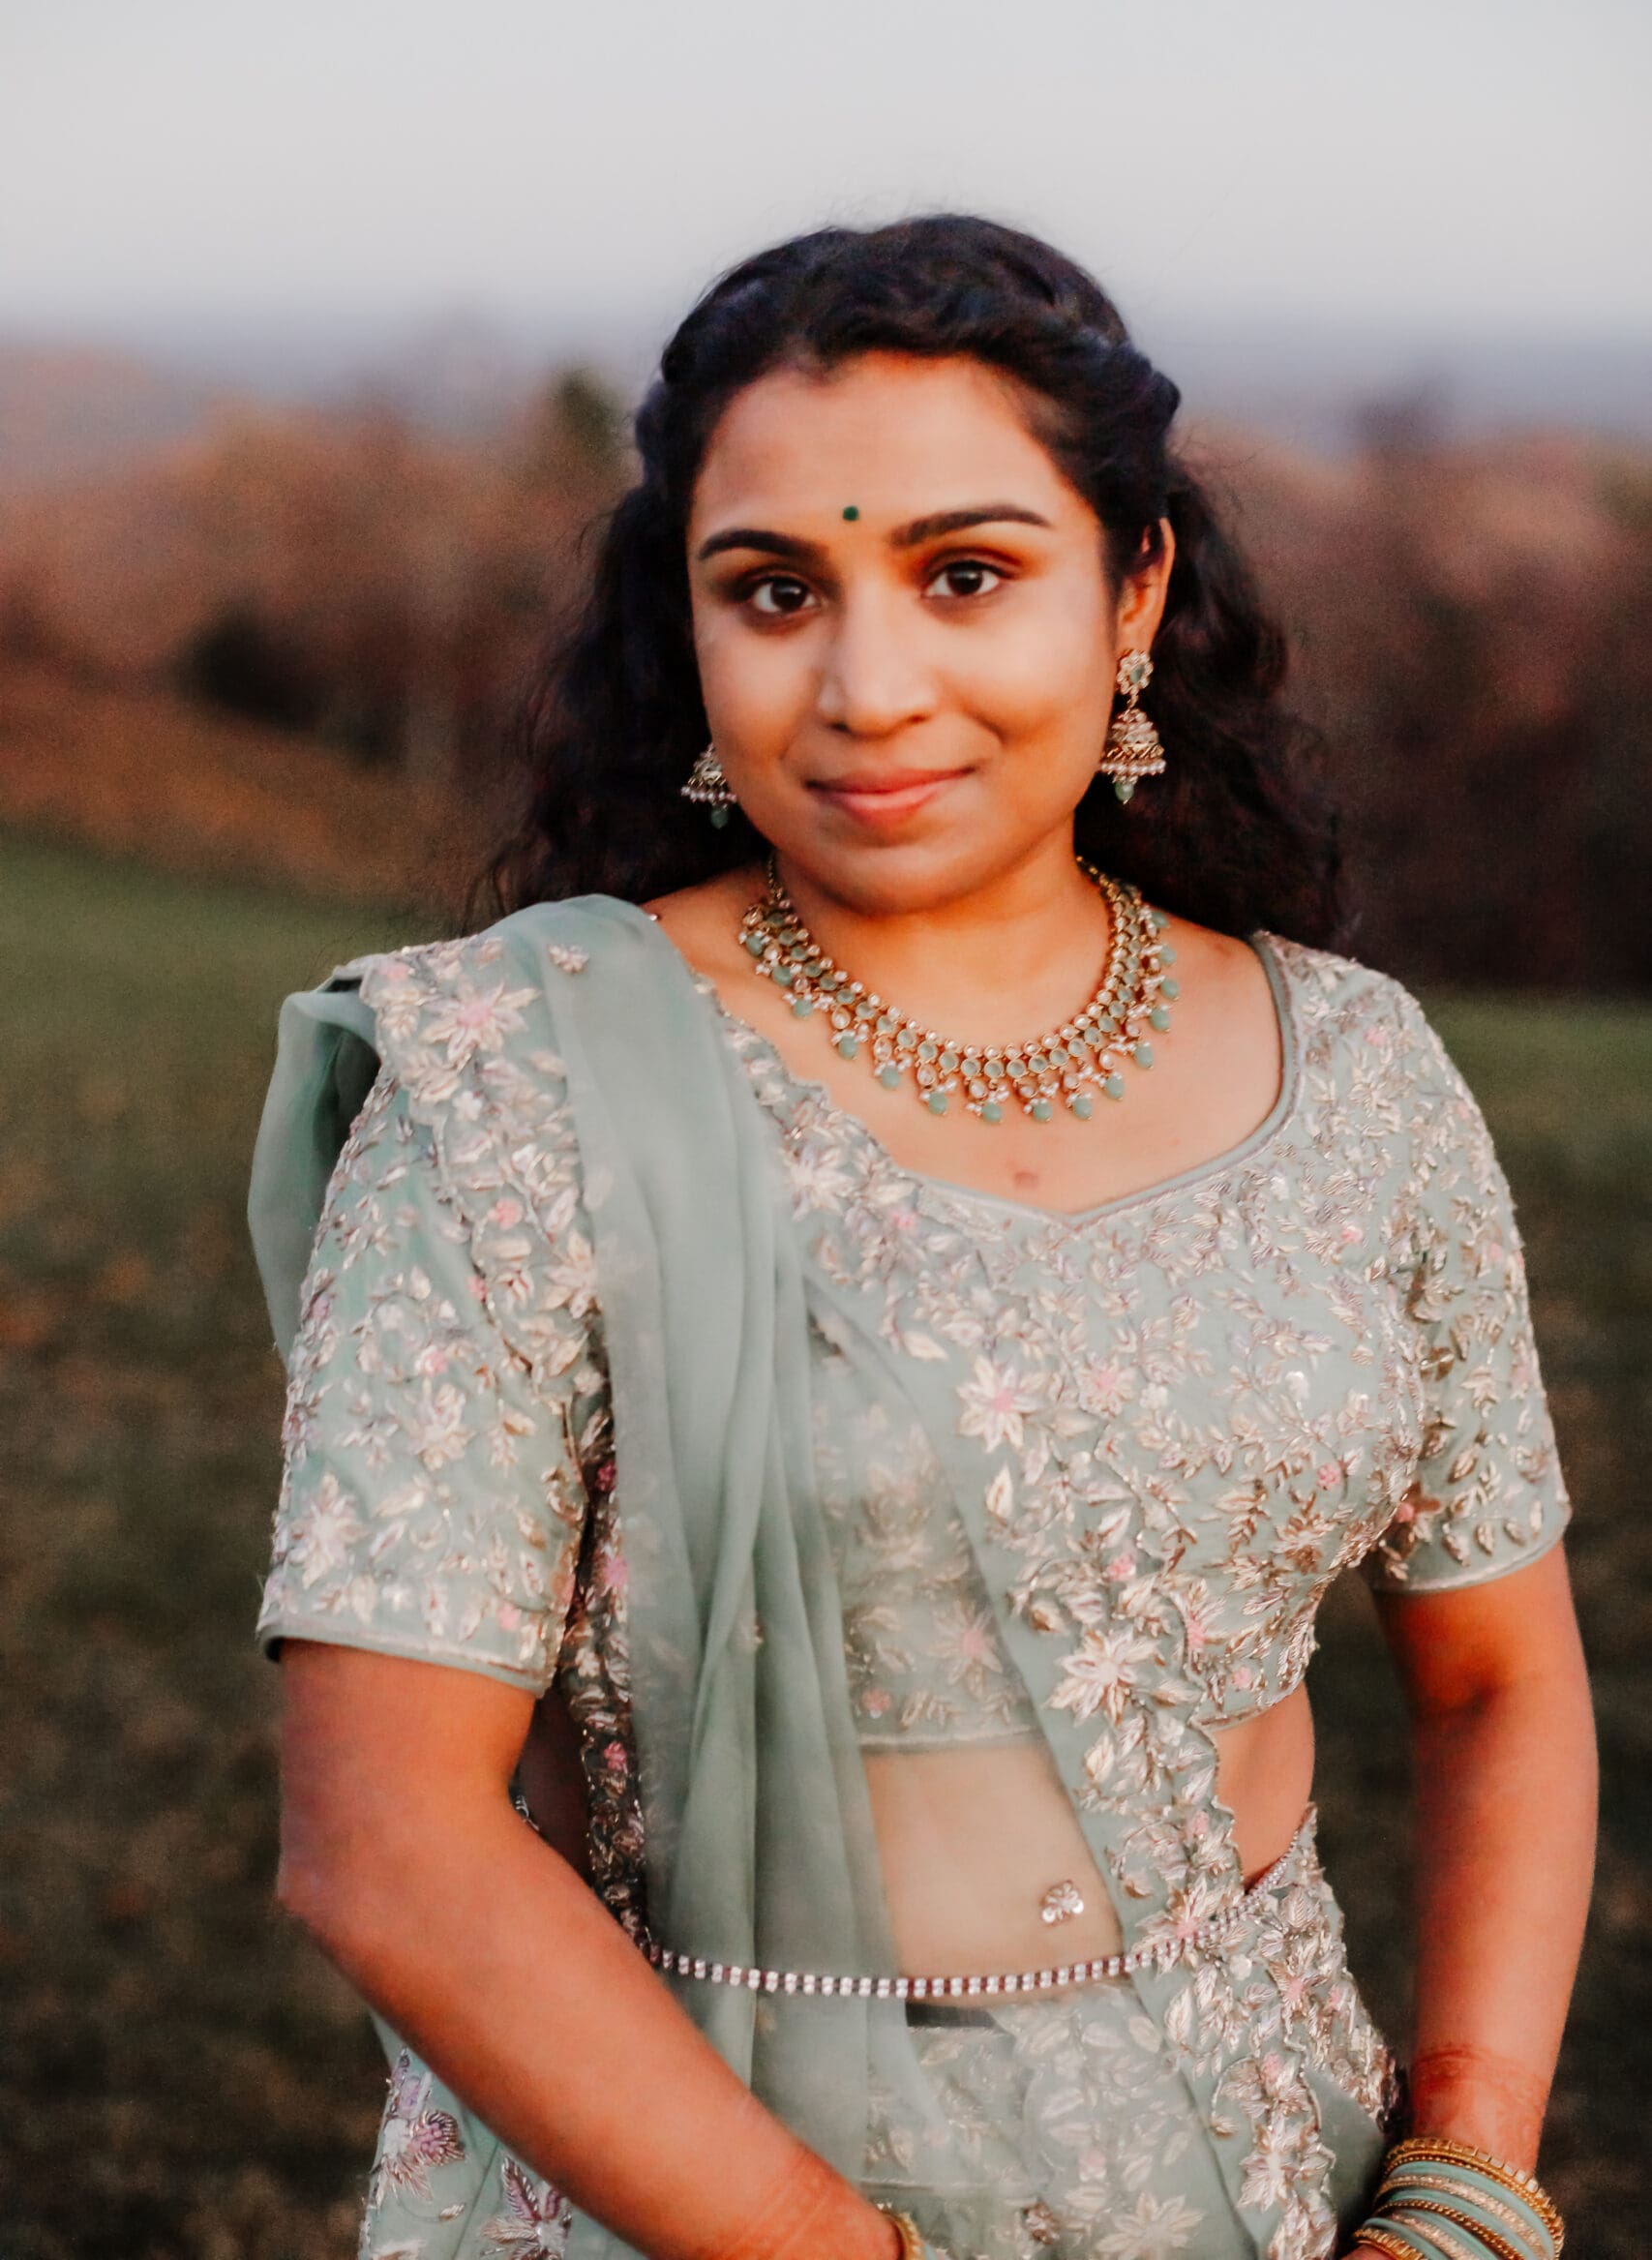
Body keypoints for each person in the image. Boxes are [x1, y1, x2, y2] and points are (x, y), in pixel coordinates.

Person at [249, 218, 1595, 2260]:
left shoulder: (1359, 1072)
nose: (870, 687)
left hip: (1270, 2184)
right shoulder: (514, 1085)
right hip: (692, 2180)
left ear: (1131, 585)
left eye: (963, 574)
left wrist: (1461, 2170)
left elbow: (1499, 1672)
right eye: (773, 590)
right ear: (685, 630)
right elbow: (385, 1839)